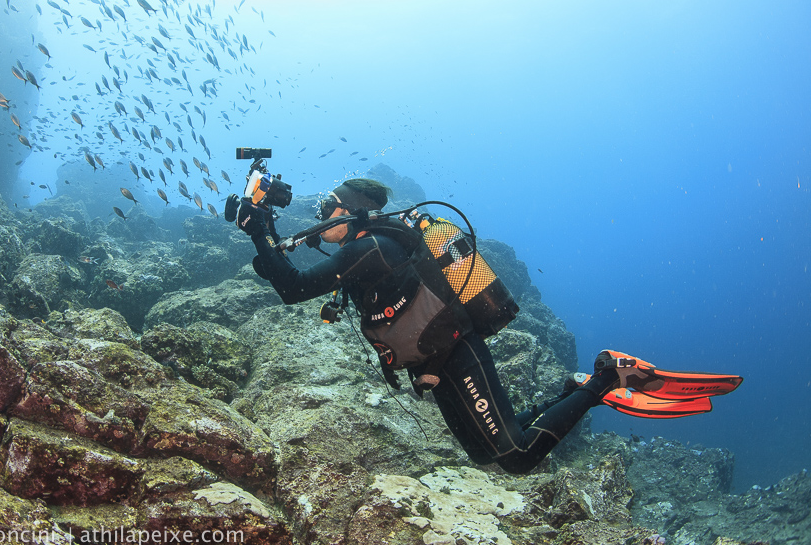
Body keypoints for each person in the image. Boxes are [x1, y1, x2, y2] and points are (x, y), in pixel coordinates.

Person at [236, 178, 742, 474]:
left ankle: (607, 375)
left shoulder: (373, 247)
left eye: (328, 208)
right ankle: (574, 388)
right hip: (434, 364)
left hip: (456, 351)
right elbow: (290, 278)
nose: (322, 216)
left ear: (355, 210)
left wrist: (260, 229)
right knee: (487, 456)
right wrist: (264, 231)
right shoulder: (362, 250)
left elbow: (295, 287)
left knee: (518, 457)